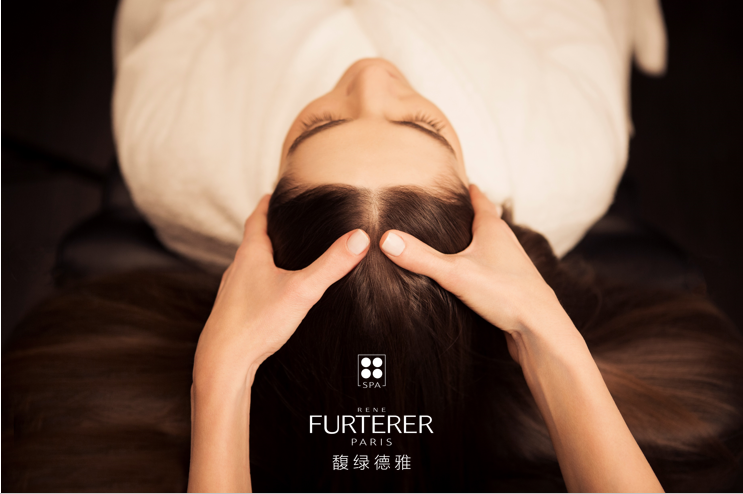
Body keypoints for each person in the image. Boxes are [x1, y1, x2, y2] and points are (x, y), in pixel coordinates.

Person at [5, 2, 743, 493]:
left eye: (318, 127)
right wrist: (545, 333)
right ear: (480, 202)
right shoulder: (567, 159)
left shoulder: (175, 163)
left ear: (261, 216)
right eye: (422, 127)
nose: (370, 77)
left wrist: (223, 374)